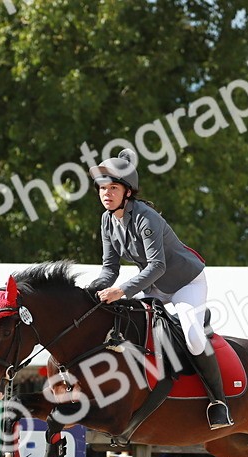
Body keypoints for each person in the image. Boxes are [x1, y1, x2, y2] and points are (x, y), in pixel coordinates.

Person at [87, 148, 232, 429]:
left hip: (184, 283)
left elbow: (157, 266)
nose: (106, 193)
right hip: (153, 286)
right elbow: (109, 269)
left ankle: (219, 402)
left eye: (113, 187)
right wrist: (91, 291)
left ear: (128, 191)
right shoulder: (107, 221)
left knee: (193, 338)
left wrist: (122, 291)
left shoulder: (145, 217)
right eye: (102, 188)